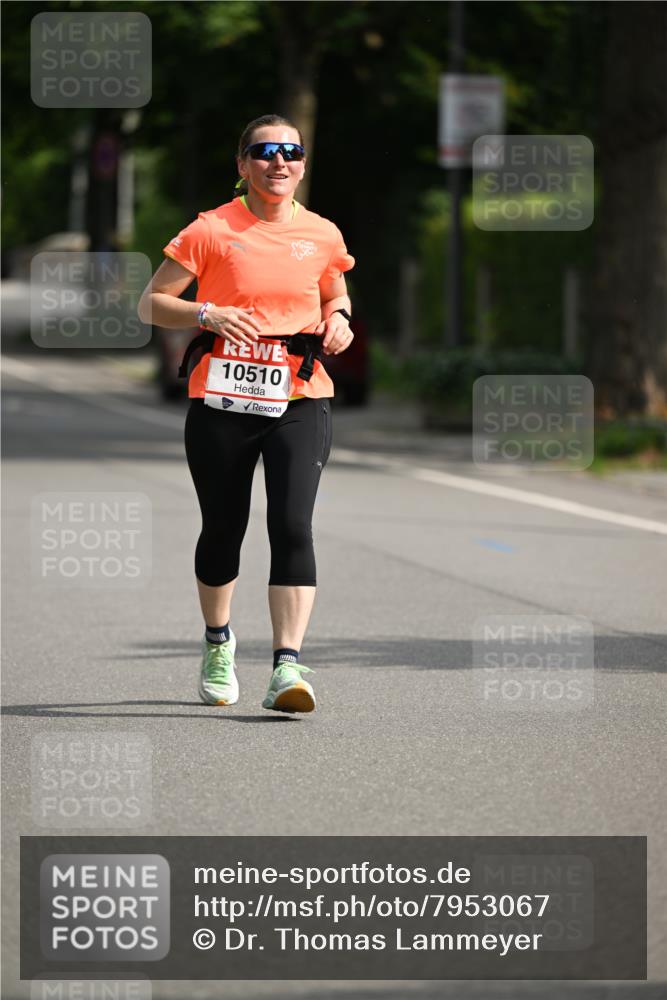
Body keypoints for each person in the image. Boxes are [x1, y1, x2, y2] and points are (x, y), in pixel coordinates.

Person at [138, 114, 355, 714]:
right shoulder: (210, 230)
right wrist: (206, 314)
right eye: (264, 153)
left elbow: (335, 291)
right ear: (242, 166)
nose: (278, 162)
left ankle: (287, 666)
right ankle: (218, 643)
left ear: (303, 163)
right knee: (223, 528)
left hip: (300, 395)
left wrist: (339, 320)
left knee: (291, 525)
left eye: (291, 151)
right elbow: (151, 304)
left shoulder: (322, 233)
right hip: (222, 400)